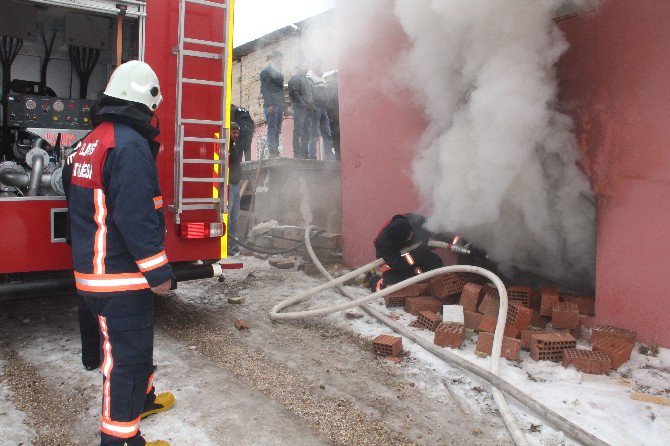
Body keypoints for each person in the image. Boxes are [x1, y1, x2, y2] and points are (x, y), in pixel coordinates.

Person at [66, 60, 174, 446]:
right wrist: (159, 274)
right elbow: (135, 217)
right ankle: (122, 440)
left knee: (130, 347)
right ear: (144, 100)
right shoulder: (127, 145)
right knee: (126, 361)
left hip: (93, 275)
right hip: (119, 279)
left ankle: (142, 400)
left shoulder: (91, 140)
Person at [370, 213, 444, 291]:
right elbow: (399, 265)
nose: (411, 237)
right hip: (393, 263)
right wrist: (420, 252)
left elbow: (433, 229)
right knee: (397, 284)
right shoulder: (384, 243)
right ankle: (376, 280)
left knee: (435, 262)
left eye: (411, 234)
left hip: (414, 253)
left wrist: (445, 239)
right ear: (399, 239)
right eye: (408, 237)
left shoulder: (414, 220)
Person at [259, 50, 286, 158]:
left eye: (282, 58)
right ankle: (273, 152)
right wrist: (269, 104)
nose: (281, 60)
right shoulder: (266, 71)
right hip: (271, 105)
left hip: (279, 105)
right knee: (272, 128)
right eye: (280, 58)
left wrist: (285, 107)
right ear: (274, 58)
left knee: (277, 130)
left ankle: (276, 152)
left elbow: (280, 91)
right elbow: (264, 89)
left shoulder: (279, 73)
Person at [306, 64, 334, 160]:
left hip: (323, 108)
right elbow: (308, 92)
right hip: (315, 108)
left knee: (327, 132)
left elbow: (325, 93)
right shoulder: (309, 76)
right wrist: (311, 106)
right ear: (314, 66)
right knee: (314, 132)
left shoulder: (322, 77)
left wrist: (327, 105)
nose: (320, 68)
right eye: (318, 66)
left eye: (320, 66)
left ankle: (329, 156)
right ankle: (312, 156)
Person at [287, 65, 314, 159]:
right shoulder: (295, 79)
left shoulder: (308, 81)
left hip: (308, 111)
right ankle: (297, 153)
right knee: (298, 131)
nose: (306, 69)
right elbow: (294, 93)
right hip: (299, 110)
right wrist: (303, 105)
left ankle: (304, 152)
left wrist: (312, 108)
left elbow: (311, 96)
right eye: (304, 67)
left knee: (306, 132)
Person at [228, 122, 241, 255]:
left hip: (236, 185)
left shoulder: (233, 146)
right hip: (230, 185)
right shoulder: (226, 146)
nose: (236, 135)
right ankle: (227, 246)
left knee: (235, 216)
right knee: (229, 216)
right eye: (234, 132)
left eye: (237, 132)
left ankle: (233, 244)